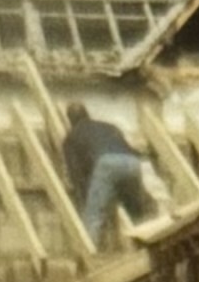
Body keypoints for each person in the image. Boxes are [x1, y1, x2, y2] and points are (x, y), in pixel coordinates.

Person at [61, 102, 156, 246]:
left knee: (94, 215)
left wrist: (83, 197)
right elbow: (126, 147)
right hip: (132, 162)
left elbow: (76, 173)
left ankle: (90, 253)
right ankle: (145, 244)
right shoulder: (110, 127)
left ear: (70, 120)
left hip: (106, 163)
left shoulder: (72, 137)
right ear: (87, 114)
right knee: (136, 209)